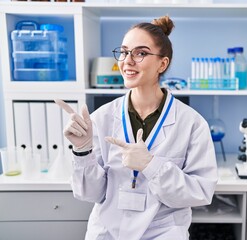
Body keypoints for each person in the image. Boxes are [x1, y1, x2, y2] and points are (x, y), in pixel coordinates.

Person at [55, 15, 218, 240]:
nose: (127, 61)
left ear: (163, 63)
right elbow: (89, 193)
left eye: (140, 53)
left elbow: (200, 193)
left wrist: (152, 166)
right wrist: (82, 151)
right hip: (107, 232)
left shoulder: (191, 123)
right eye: (123, 52)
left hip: (162, 232)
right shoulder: (101, 118)